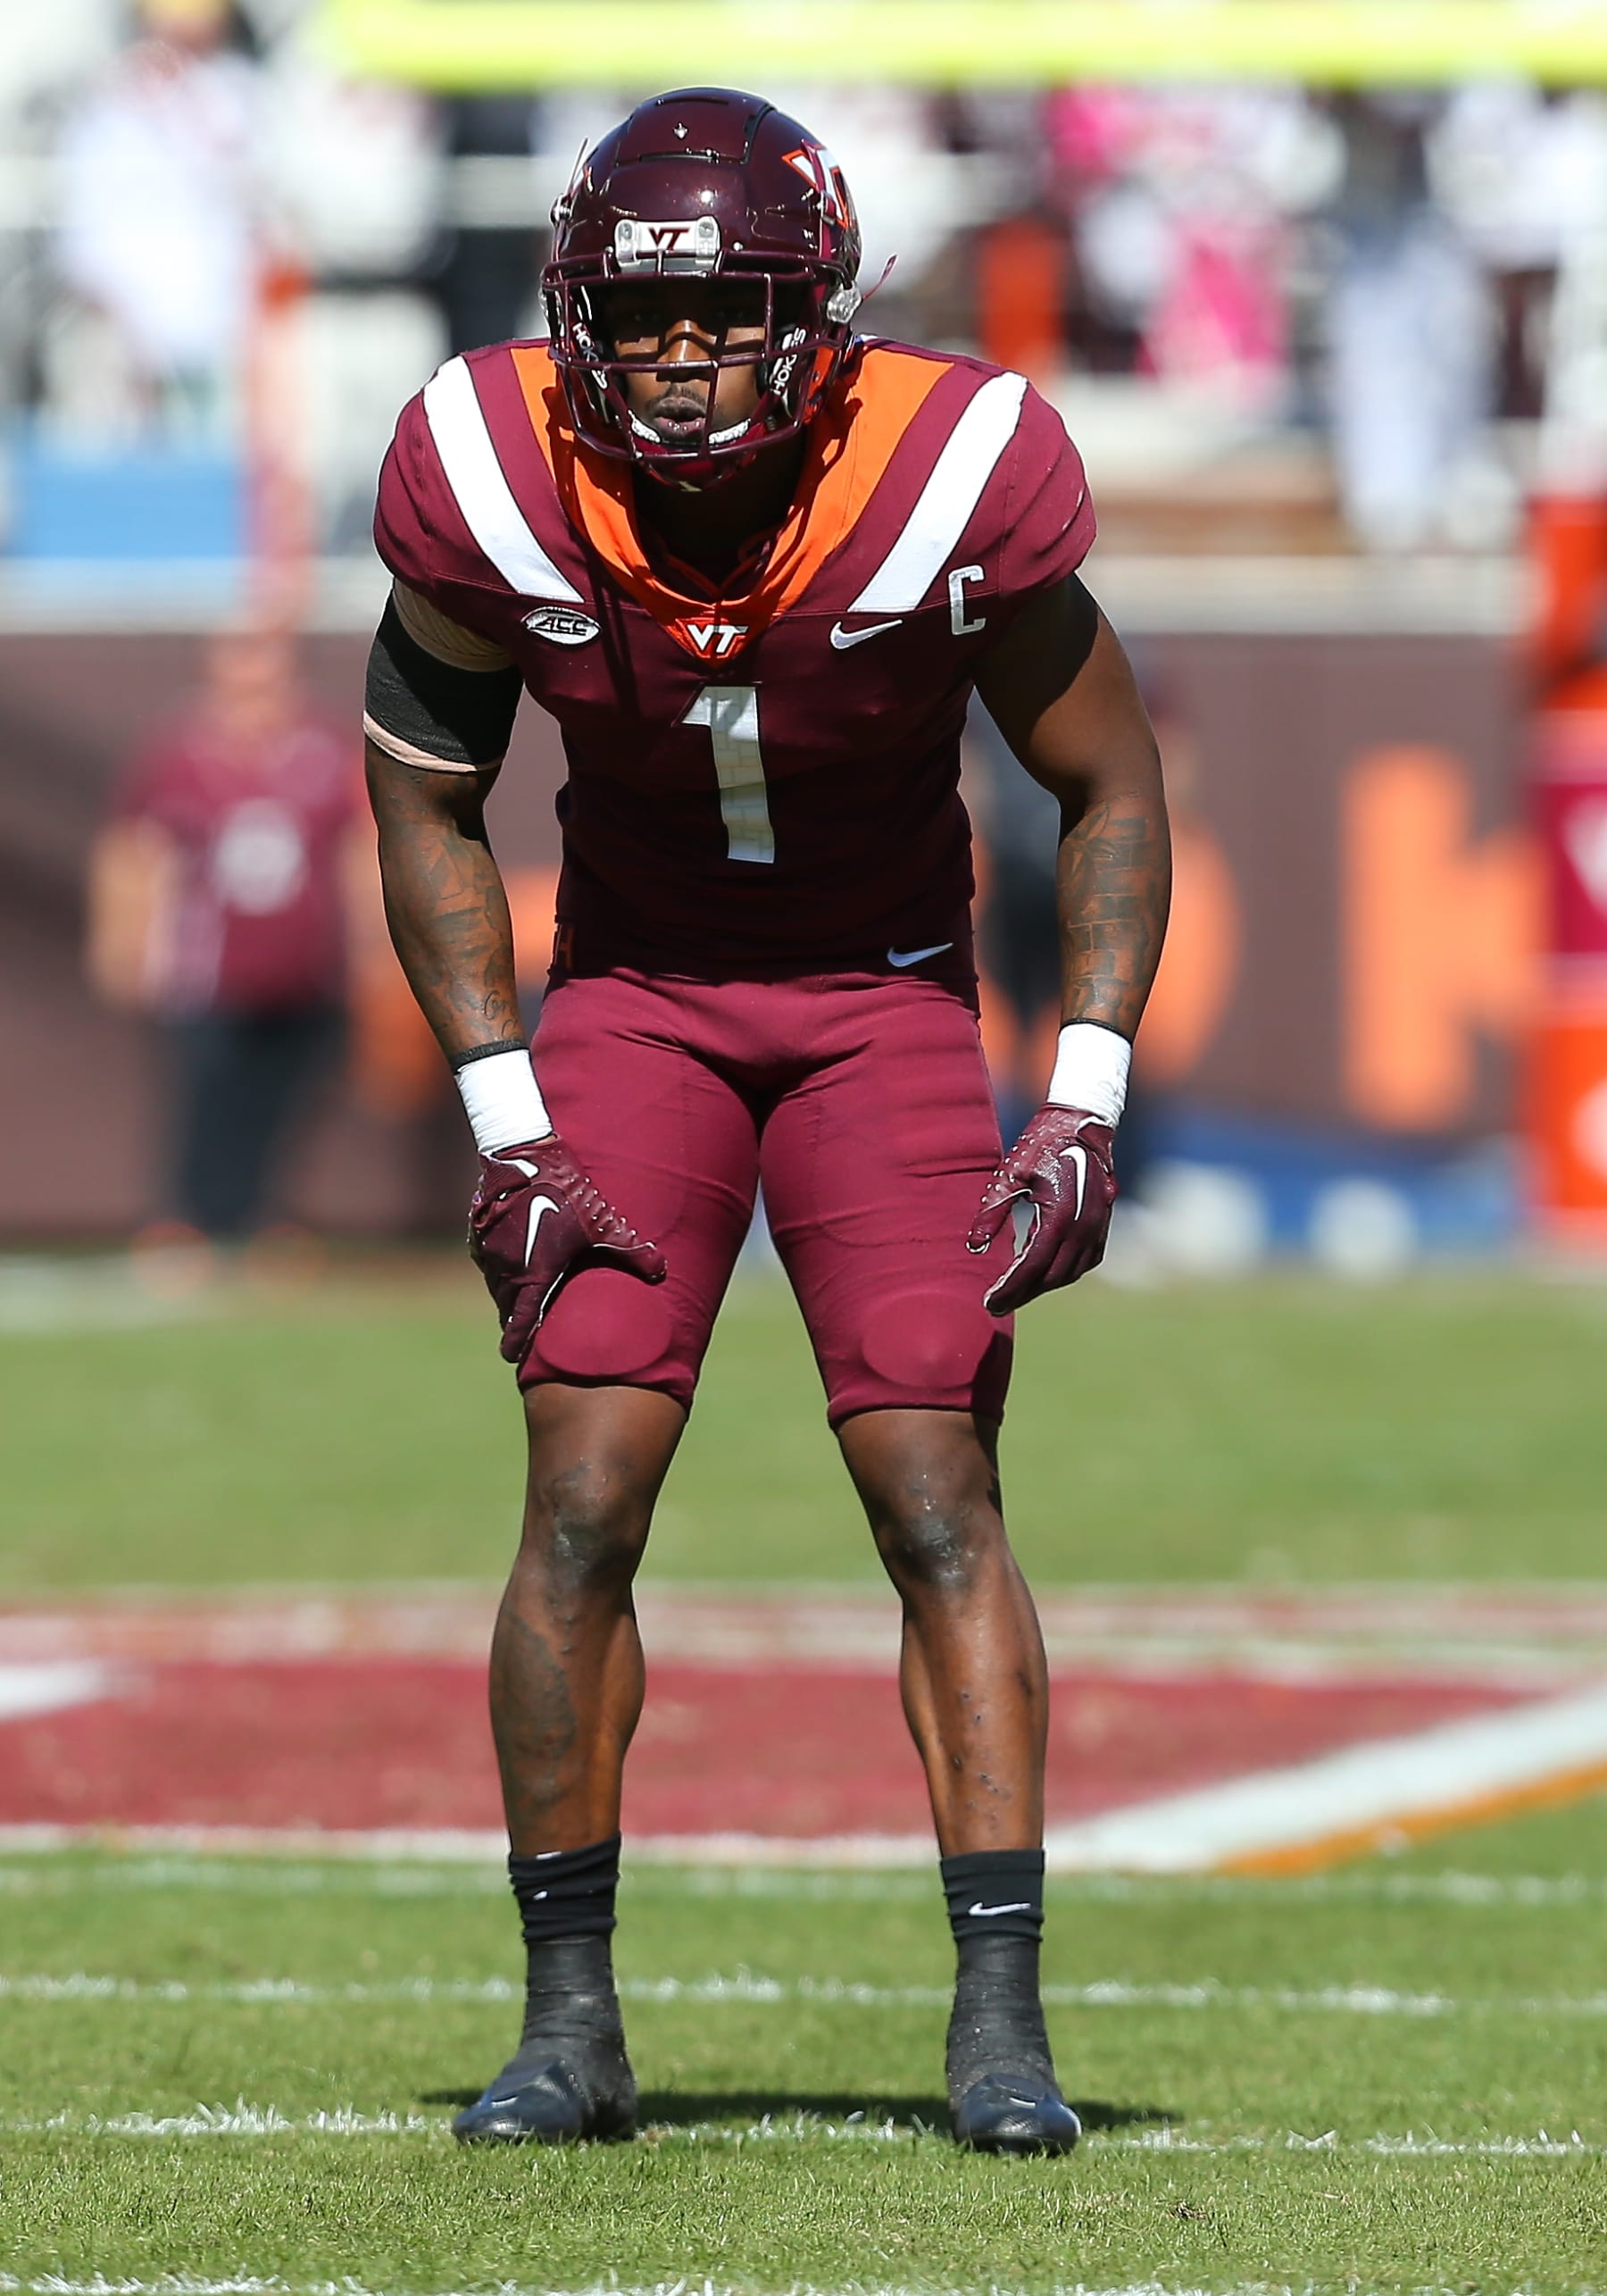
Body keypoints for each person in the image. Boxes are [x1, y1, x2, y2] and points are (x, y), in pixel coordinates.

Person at [363, 88, 1170, 2156]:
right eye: (642, 323)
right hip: (632, 1001)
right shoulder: (490, 471)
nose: (683, 353)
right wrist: (503, 1111)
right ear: (576, 321)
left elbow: (1112, 782)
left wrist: (1082, 1088)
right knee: (579, 1493)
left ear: (817, 313)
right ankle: (568, 2023)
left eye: (728, 310)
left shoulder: (949, 464)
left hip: (883, 1003)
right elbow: (422, 785)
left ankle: (999, 2020)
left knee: (932, 1487)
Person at [87, 627, 358, 1256]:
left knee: (285, 1099)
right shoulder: (178, 751)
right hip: (208, 967)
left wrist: (374, 947)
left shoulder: (324, 747)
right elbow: (133, 848)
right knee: (206, 1093)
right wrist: (121, 939)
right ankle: (189, 1219)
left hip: (305, 965)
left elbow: (356, 850)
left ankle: (264, 1219)